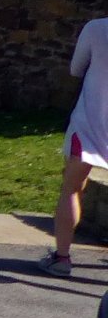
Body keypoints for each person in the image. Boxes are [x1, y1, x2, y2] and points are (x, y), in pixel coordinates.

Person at [44, 17, 108, 276]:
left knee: (71, 188)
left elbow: (75, 69)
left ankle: (61, 258)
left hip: (91, 122)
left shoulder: (96, 28)